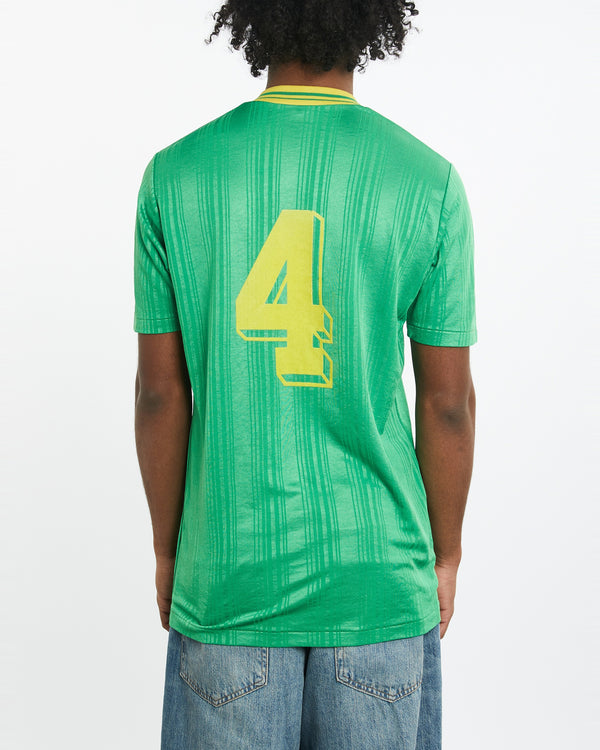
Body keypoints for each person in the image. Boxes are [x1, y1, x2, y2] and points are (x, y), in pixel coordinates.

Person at [133, 1, 477, 748]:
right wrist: (446, 555)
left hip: (229, 578)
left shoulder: (174, 176)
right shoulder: (429, 182)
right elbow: (447, 403)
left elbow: (160, 393)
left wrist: (168, 549)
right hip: (378, 579)